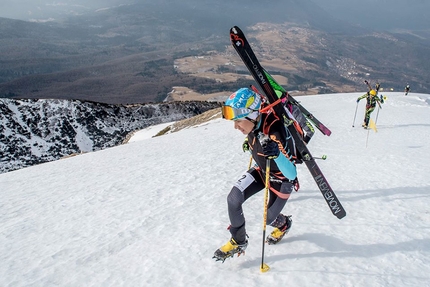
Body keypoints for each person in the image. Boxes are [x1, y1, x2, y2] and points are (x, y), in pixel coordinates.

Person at [213, 87, 300, 262]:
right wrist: (251, 145)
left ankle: (284, 224)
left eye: (238, 121)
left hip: (281, 181)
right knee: (233, 199)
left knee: (269, 219)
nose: (235, 127)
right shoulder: (254, 122)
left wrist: (276, 153)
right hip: (262, 171)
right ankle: (238, 240)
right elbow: (255, 135)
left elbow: (291, 173)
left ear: (252, 115)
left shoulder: (275, 131)